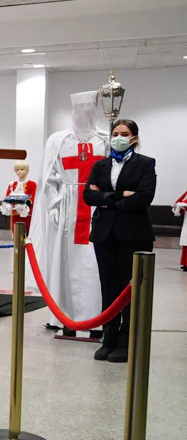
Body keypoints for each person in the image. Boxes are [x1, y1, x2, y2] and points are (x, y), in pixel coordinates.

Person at [28, 91, 108, 339]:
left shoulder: (104, 140)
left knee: (94, 264)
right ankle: (62, 315)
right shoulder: (58, 140)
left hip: (96, 208)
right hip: (66, 210)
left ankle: (96, 317)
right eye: (79, 109)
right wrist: (52, 205)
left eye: (89, 109)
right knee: (64, 263)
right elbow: (48, 178)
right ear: (73, 110)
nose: (84, 113)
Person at [84, 119, 157, 362]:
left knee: (130, 290)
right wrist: (119, 196)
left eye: (124, 133)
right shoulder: (100, 165)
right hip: (104, 235)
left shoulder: (145, 164)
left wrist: (106, 199)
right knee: (109, 288)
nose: (118, 137)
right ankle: (109, 338)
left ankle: (127, 342)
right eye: (115, 133)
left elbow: (143, 198)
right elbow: (88, 196)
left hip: (133, 235)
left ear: (134, 138)